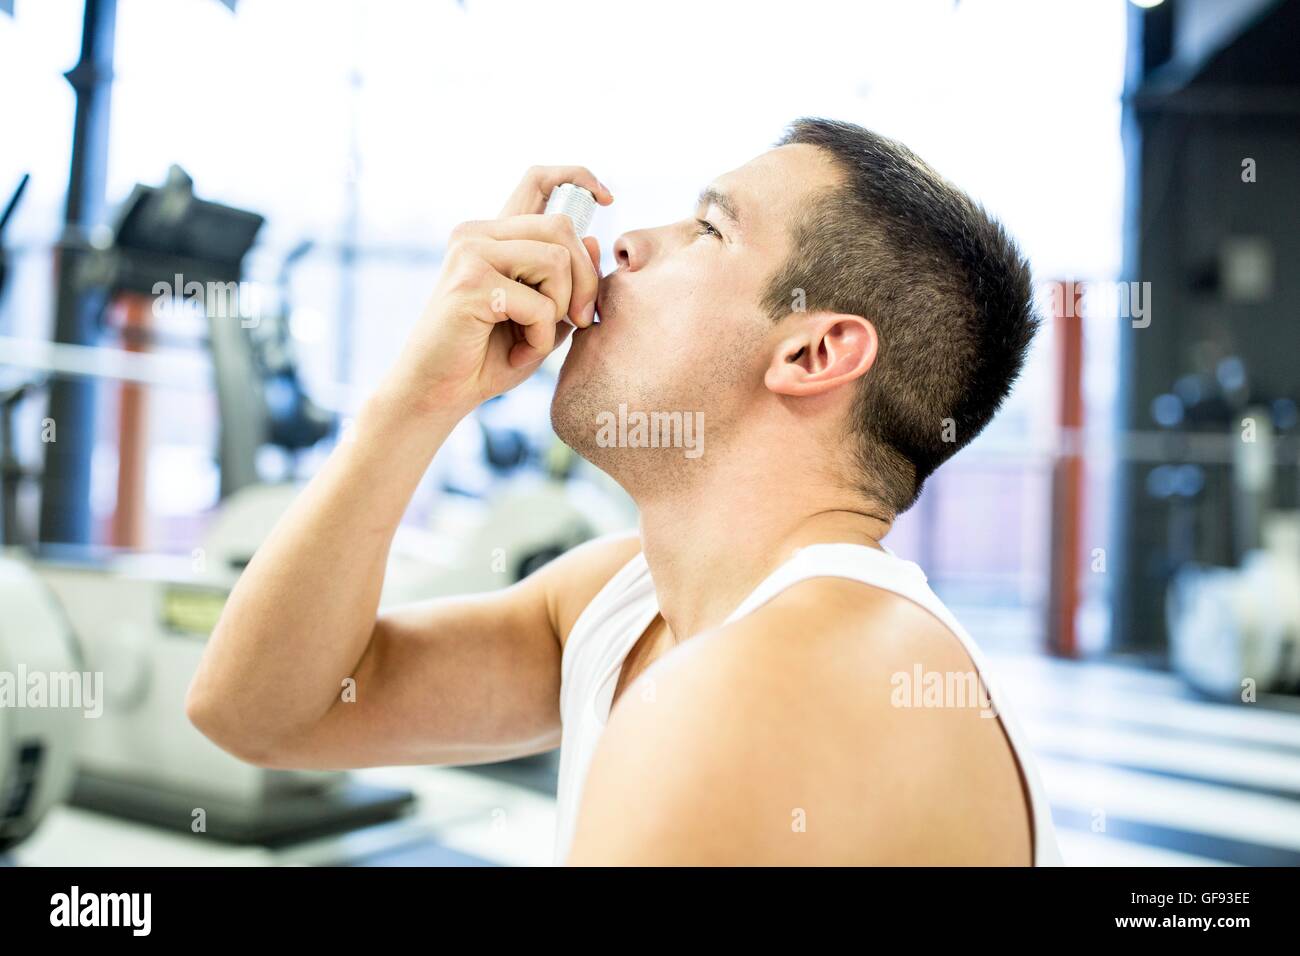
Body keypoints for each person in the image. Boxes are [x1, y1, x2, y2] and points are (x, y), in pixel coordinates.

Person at [187, 117, 1062, 866]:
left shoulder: (770, 688)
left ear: (812, 354)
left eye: (710, 230)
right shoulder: (617, 603)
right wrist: (416, 402)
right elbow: (262, 713)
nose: (628, 244)